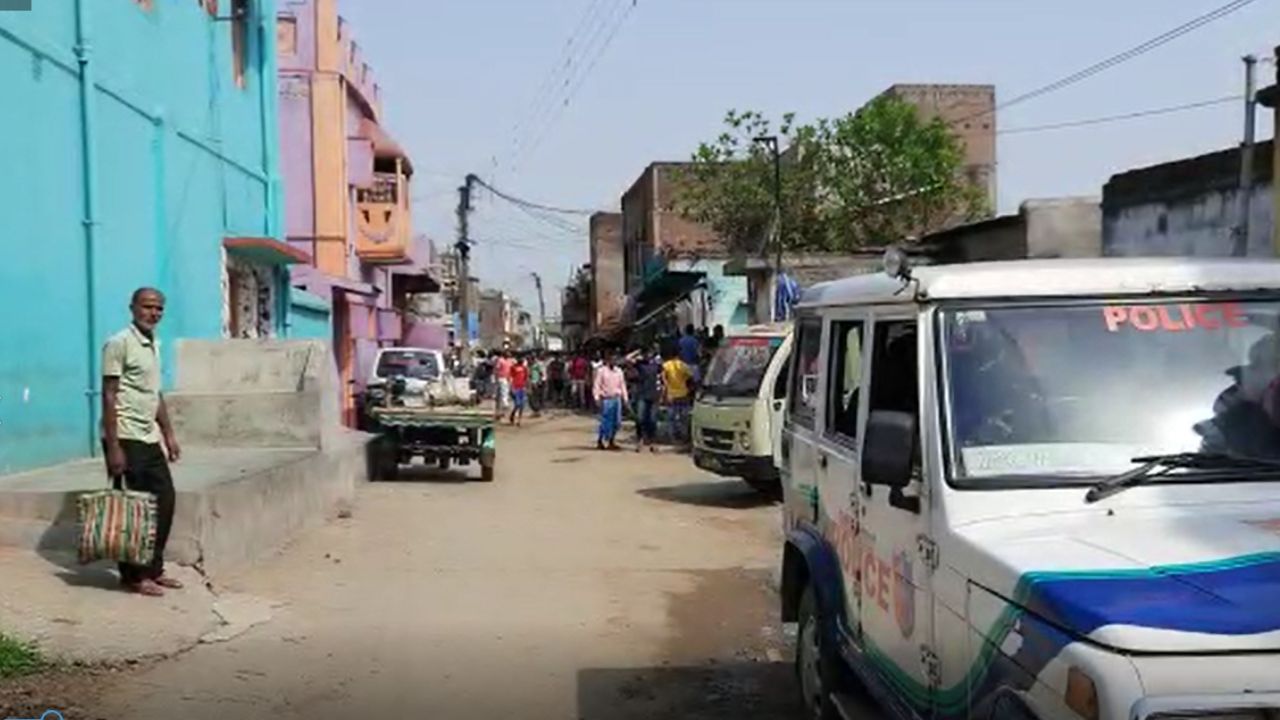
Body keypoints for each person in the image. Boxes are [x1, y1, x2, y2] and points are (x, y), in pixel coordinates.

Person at [101, 288, 182, 598]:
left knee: (165, 500)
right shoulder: (119, 343)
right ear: (133, 307)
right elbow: (109, 394)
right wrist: (114, 446)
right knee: (136, 509)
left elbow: (153, 394)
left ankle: (153, 569)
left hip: (147, 435)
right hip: (125, 435)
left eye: (159, 308)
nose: (154, 313)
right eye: (148, 307)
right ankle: (134, 576)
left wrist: (169, 433)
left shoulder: (152, 345)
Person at [662, 343, 696, 448]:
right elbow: (692, 377)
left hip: (671, 394)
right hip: (683, 393)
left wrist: (665, 393)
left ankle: (673, 437)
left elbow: (664, 380)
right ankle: (683, 436)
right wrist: (690, 389)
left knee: (671, 417)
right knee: (683, 417)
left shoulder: (666, 365)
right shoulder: (683, 365)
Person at [593, 351, 629, 450]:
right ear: (607, 360)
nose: (614, 361)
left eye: (616, 360)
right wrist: (596, 398)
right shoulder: (601, 371)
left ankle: (611, 441)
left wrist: (625, 399)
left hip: (617, 399)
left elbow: (622, 385)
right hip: (606, 399)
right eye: (612, 359)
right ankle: (601, 441)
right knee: (605, 422)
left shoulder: (619, 371)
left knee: (617, 422)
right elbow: (597, 385)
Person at [633, 346, 661, 452]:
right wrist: (637, 351)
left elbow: (662, 377)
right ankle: (639, 440)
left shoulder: (656, 365)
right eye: (646, 353)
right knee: (640, 419)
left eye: (649, 353)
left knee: (652, 420)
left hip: (654, 395)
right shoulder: (640, 365)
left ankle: (653, 442)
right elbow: (627, 359)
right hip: (642, 395)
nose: (648, 355)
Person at [493, 349, 515, 418]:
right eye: (507, 353)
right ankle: (502, 409)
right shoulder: (500, 360)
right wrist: (496, 378)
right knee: (502, 394)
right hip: (501, 378)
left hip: (508, 378)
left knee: (505, 393)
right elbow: (496, 369)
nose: (509, 354)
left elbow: (513, 368)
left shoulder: (511, 360)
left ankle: (503, 410)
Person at [509, 355, 529, 426]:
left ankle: (519, 420)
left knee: (522, 405)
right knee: (517, 404)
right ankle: (513, 414)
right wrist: (511, 387)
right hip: (515, 387)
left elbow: (526, 378)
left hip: (522, 387)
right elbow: (511, 377)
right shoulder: (513, 367)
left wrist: (527, 387)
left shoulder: (524, 368)